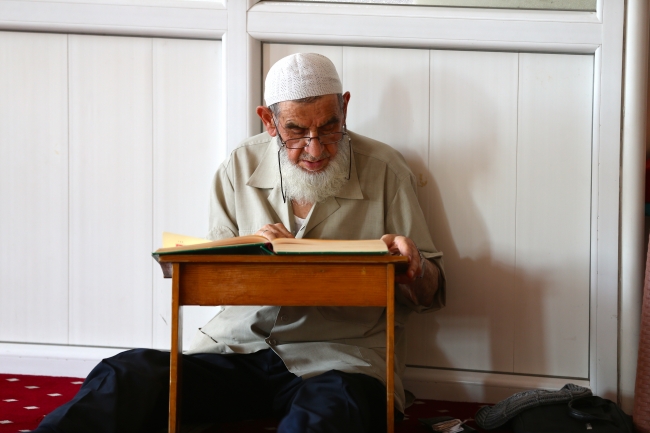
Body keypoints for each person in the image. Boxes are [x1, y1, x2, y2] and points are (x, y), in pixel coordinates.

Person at [33, 53, 445, 433]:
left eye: (330, 127)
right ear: (268, 120)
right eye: (297, 131)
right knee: (126, 374)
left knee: (327, 416)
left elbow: (432, 290)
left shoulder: (386, 170)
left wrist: (416, 268)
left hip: (339, 360)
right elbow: (214, 276)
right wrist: (249, 249)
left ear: (345, 108)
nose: (316, 149)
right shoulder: (239, 165)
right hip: (237, 349)